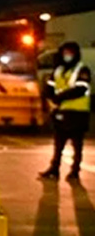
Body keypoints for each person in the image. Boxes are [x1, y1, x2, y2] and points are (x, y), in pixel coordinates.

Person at [41, 41, 91, 181]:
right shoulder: (58, 70)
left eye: (70, 53)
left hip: (78, 112)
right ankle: (54, 169)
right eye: (65, 53)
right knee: (58, 144)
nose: (67, 56)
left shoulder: (82, 70)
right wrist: (51, 98)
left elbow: (81, 89)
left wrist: (59, 97)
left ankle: (75, 171)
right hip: (61, 111)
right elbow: (49, 87)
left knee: (77, 145)